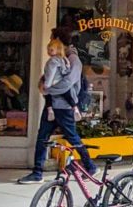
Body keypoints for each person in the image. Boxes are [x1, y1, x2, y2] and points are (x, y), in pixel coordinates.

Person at [18, 33, 95, 183]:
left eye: (53, 39)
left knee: (72, 136)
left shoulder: (73, 60)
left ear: (61, 43)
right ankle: (37, 171)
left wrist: (47, 90)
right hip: (53, 105)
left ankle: (90, 165)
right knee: (42, 136)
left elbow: (67, 84)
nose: (50, 42)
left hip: (64, 107)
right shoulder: (60, 60)